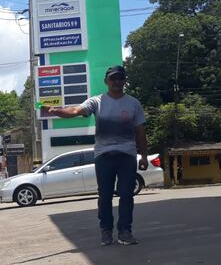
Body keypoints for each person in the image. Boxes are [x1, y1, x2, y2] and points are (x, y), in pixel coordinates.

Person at [44, 65, 148, 246]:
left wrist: (144, 156)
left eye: (120, 78)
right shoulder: (97, 101)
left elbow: (140, 132)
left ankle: (125, 232)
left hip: (127, 156)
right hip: (104, 156)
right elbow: (76, 111)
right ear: (106, 81)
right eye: (113, 78)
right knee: (105, 195)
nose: (117, 82)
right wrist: (58, 111)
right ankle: (106, 232)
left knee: (126, 195)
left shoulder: (133, 103)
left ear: (124, 81)